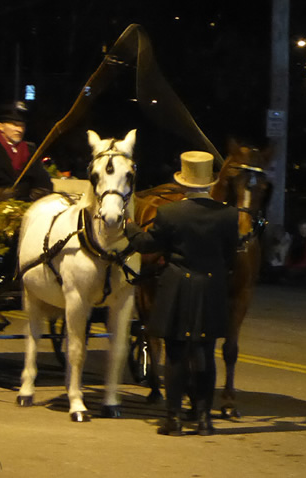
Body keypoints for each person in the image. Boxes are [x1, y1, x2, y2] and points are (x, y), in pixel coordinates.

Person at [126, 151, 240, 437]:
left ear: (183, 183)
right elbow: (229, 254)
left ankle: (173, 419)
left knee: (176, 355)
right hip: (211, 287)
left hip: (177, 286)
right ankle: (204, 420)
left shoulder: (170, 212)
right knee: (205, 354)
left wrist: (129, 227)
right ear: (208, 183)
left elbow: (148, 245)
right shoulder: (228, 214)